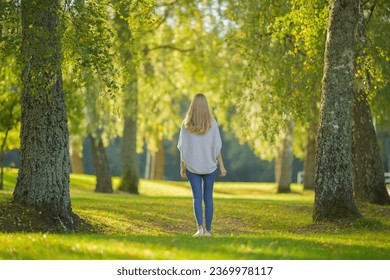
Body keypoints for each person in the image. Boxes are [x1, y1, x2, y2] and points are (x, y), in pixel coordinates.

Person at [177, 93, 227, 237]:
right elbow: (217, 148)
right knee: (208, 197)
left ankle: (200, 228)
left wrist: (182, 166)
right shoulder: (212, 123)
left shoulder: (185, 124)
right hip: (209, 166)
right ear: (206, 106)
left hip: (192, 167)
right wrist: (222, 166)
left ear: (192, 105)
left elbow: (183, 148)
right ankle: (208, 231)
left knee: (196, 197)